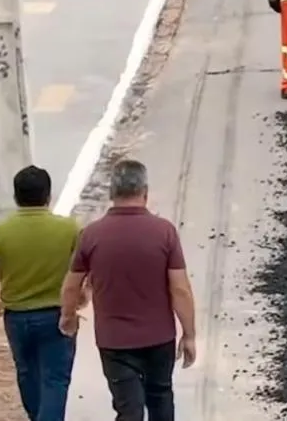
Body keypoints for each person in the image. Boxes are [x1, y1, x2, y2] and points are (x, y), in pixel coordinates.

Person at [60, 159, 196, 421]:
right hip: (159, 338)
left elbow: (71, 285)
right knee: (160, 397)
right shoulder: (164, 232)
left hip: (114, 342)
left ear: (112, 193)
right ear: (145, 191)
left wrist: (68, 316)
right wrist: (189, 334)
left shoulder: (91, 235)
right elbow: (180, 289)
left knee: (128, 409)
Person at [0, 165, 81, 421]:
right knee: (55, 380)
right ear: (48, 195)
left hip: (17, 318)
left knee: (27, 374)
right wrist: (82, 293)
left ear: (16, 196)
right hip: (56, 315)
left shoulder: (0, 231)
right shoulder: (69, 229)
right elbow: (87, 265)